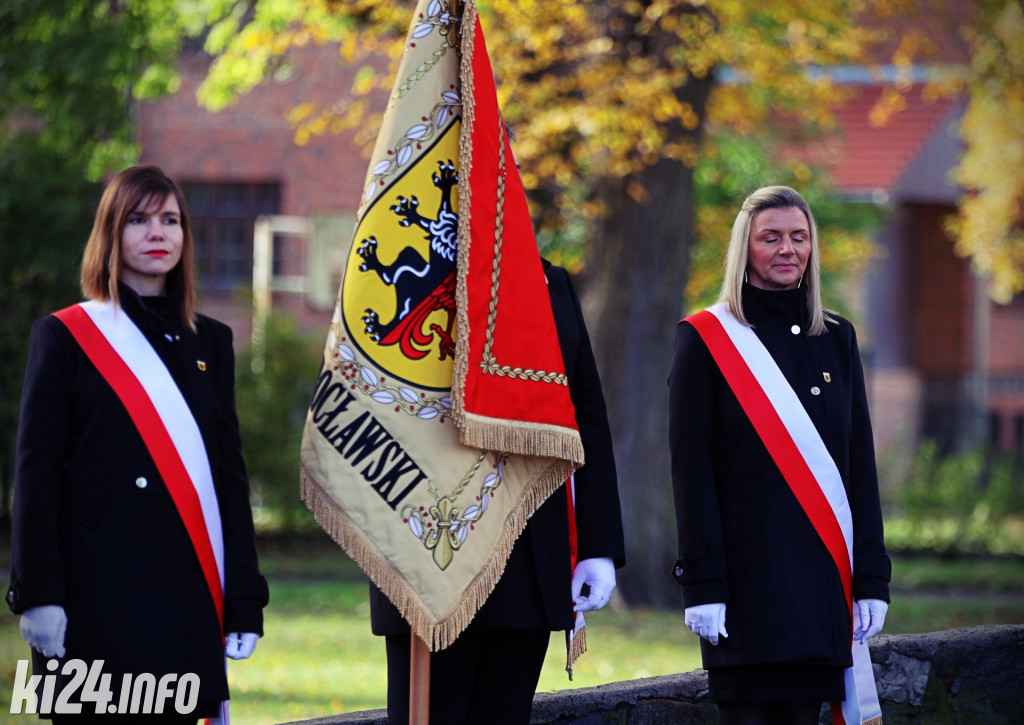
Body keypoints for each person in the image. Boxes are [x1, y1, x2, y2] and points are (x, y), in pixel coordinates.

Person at [7, 165, 269, 723]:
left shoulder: (212, 342)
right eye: (139, 219)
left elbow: (228, 480)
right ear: (110, 233)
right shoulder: (65, 336)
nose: (158, 233)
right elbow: (36, 475)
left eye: (171, 220)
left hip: (183, 598)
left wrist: (245, 598)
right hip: (94, 599)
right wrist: (36, 592)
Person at [668, 186, 891, 725]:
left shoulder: (837, 336)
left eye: (799, 237)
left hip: (819, 587)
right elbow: (691, 472)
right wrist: (703, 584)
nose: (787, 249)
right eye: (771, 238)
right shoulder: (706, 338)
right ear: (745, 249)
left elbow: (859, 464)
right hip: (744, 591)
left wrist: (872, 579)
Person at [370, 260, 626, 725]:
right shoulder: (407, 269)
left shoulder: (550, 281)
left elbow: (583, 414)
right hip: (432, 551)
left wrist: (598, 544)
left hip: (527, 554)